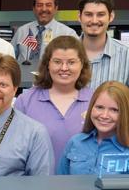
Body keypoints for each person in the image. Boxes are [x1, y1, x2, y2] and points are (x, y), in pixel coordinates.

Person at [13, 35, 93, 164]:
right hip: (37, 181)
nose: (64, 68)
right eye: (57, 62)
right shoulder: (25, 101)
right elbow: (14, 150)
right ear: (47, 64)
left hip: (83, 182)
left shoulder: (95, 101)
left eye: (71, 62)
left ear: (82, 64)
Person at [58, 81, 129, 176]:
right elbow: (60, 185)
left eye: (114, 110)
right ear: (91, 108)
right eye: (99, 107)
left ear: (125, 114)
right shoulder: (75, 142)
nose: (104, 115)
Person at [78, 0, 129, 111]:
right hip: (71, 129)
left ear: (111, 17)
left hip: (114, 128)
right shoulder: (64, 53)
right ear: (79, 17)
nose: (94, 20)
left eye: (100, 14)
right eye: (88, 14)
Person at [13, 0, 75, 65]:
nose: (44, 9)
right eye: (39, 5)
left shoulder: (68, 33)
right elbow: (10, 58)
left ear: (56, 8)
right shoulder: (22, 31)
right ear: (33, 8)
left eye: (48, 5)